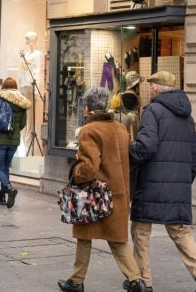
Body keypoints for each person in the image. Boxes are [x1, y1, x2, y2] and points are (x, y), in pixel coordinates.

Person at [128, 71, 196, 292]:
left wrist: (128, 155)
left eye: (151, 86)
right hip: (178, 183)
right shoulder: (187, 116)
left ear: (156, 89)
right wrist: (185, 180)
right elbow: (195, 155)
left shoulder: (152, 111)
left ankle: (143, 282)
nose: (149, 91)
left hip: (151, 182)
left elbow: (145, 147)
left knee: (141, 231)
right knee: (178, 228)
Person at [58, 87, 148, 292]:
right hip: (118, 194)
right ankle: (135, 281)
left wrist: (75, 170)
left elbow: (89, 168)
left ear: (87, 108)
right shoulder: (119, 128)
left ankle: (77, 282)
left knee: (84, 235)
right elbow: (129, 161)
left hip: (94, 195)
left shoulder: (89, 131)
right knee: (116, 240)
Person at [0, 77, 31, 208]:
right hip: (13, 141)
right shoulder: (21, 101)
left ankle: (9, 189)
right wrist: (15, 131)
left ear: (3, 87)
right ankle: (1, 196)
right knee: (5, 168)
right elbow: (23, 123)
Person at [114, 71, 143, 142]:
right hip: (132, 124)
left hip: (125, 123)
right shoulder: (133, 95)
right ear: (135, 84)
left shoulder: (124, 94)